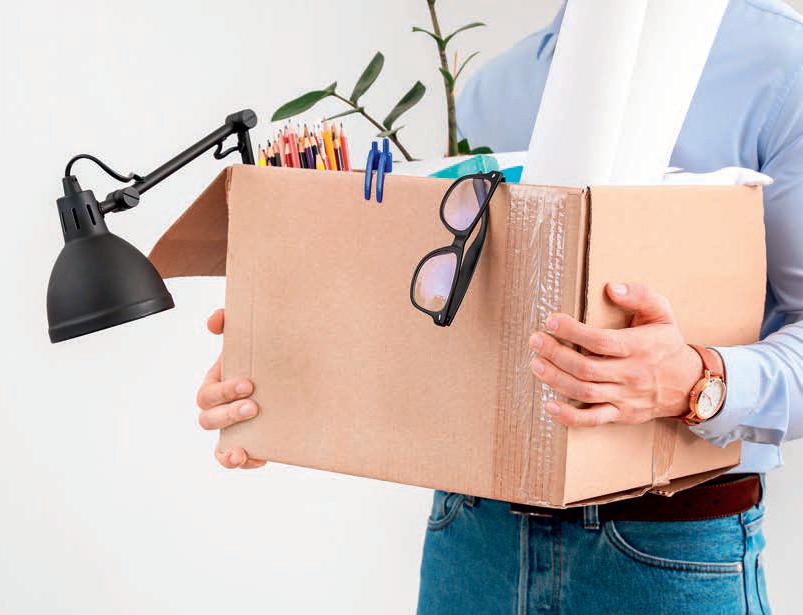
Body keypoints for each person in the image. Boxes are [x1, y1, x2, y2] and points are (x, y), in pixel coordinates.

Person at [193, 1, 803, 612]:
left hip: (668, 546)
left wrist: (699, 382)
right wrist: (295, 372)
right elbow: (456, 319)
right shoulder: (494, 90)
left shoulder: (783, 68)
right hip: (470, 537)